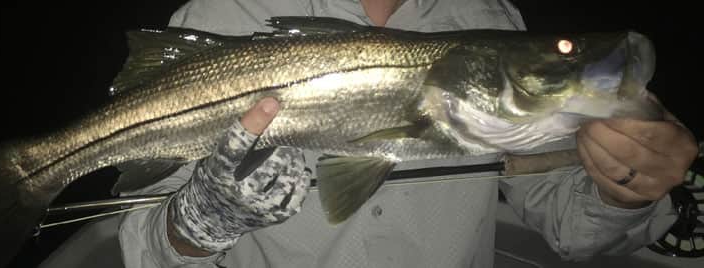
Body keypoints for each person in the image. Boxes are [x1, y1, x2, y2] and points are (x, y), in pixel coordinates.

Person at [39, 0, 698, 267]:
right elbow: (148, 251)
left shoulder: (488, 17)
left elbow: (570, 232)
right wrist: (194, 224)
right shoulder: (223, 11)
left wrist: (623, 191)